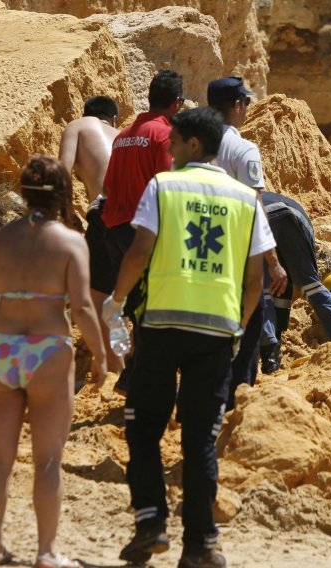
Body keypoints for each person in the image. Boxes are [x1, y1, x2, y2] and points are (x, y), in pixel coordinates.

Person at [103, 107, 273, 568]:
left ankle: (151, 522)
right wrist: (238, 325)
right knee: (199, 439)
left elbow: (139, 252)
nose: (170, 150)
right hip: (216, 332)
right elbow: (256, 279)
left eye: (175, 142)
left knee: (143, 427)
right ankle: (201, 544)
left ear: (193, 145)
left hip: (161, 327)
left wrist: (115, 301)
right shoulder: (243, 198)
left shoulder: (164, 187)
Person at [0, 156, 107, 568]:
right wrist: (99, 354)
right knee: (47, 459)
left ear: (24, 193)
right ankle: (46, 553)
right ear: (63, 194)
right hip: (48, 349)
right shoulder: (70, 242)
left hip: (3, 346)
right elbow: (81, 306)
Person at [102, 70, 184, 395]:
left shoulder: (122, 136)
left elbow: (107, 187)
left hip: (114, 234)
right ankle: (139, 379)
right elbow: (168, 183)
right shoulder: (164, 134)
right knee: (157, 309)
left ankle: (136, 379)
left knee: (140, 310)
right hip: (143, 234)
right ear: (177, 102)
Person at [207, 76, 287, 391]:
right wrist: (273, 259)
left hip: (201, 246)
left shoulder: (193, 146)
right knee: (248, 323)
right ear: (237, 106)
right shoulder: (243, 149)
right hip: (238, 251)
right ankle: (239, 390)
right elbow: (255, 205)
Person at [256, 191, 331, 377]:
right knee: (310, 285)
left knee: (263, 290)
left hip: (260, 221)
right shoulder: (265, 196)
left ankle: (270, 359)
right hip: (297, 217)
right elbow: (284, 288)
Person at [58, 95, 122, 372]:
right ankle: (133, 365)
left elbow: (62, 171)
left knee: (98, 296)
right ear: (114, 119)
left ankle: (113, 366)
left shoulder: (77, 126)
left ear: (87, 113)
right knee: (128, 297)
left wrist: (67, 214)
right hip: (136, 217)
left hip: (104, 213)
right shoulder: (122, 135)